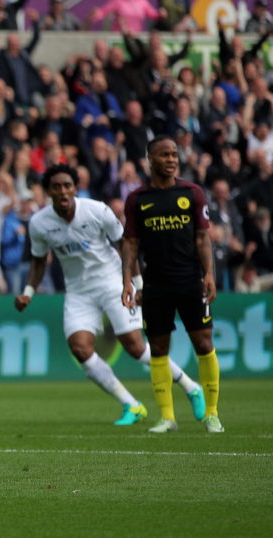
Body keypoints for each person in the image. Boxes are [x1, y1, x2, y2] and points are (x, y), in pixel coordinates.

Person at [16, 165, 204, 425]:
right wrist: (27, 293)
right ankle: (131, 404)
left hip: (112, 282)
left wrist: (137, 284)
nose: (62, 191)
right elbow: (39, 262)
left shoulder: (96, 210)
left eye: (67, 185)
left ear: (75, 187)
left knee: (135, 347)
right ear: (48, 191)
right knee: (79, 348)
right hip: (78, 292)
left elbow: (127, 245)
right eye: (56, 186)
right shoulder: (39, 223)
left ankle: (190, 386)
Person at [122, 137, 224, 434]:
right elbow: (130, 243)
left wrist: (209, 273)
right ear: (150, 159)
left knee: (204, 344)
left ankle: (213, 414)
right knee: (158, 348)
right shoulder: (137, 199)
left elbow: (203, 238)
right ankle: (167, 417)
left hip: (190, 279)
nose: (170, 159)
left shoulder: (191, 192)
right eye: (164, 154)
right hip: (155, 284)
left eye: (174, 155)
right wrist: (127, 279)